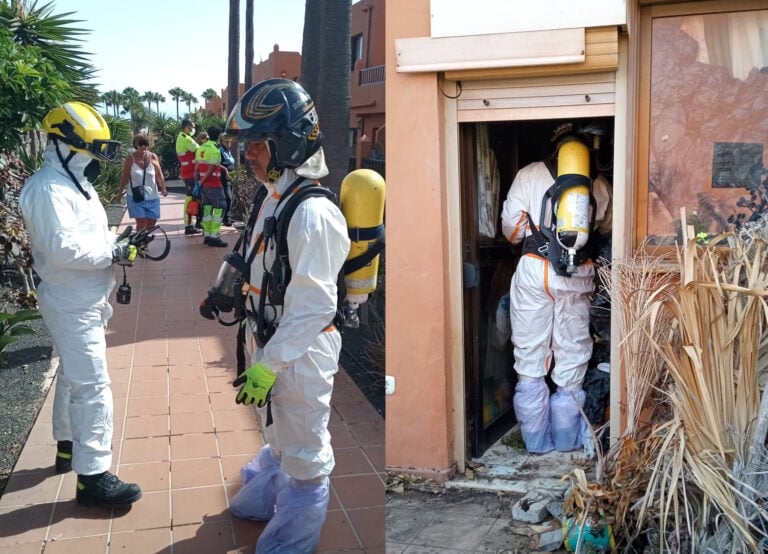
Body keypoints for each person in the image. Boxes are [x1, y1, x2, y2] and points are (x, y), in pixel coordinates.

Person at [224, 78, 350, 553]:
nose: (249, 153)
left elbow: (315, 307)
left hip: (300, 353)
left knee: (305, 448)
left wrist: (269, 363)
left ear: (290, 142)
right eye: (246, 144)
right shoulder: (275, 195)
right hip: (272, 340)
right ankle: (275, 493)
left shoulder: (313, 213)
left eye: (259, 143)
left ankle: (293, 537)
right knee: (277, 431)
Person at [18, 101, 142, 508]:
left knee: (73, 378)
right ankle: (93, 477)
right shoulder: (46, 189)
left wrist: (117, 246)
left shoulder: (76, 185)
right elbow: (61, 249)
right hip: (71, 303)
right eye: (87, 151)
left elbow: (94, 235)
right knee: (93, 387)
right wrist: (113, 252)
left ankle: (67, 447)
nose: (93, 160)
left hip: (88, 299)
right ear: (63, 146)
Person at [500, 122, 612, 454]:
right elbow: (607, 227)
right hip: (578, 274)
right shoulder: (600, 184)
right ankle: (566, 443)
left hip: (535, 270)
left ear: (555, 147)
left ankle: (536, 445)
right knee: (573, 357)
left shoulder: (529, 174)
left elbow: (511, 230)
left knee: (530, 358)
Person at [117, 133, 168, 232]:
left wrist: (163, 188)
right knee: (141, 222)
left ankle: (142, 240)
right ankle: (141, 246)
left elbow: (159, 174)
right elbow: (125, 176)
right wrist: (120, 193)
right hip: (136, 197)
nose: (143, 146)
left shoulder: (153, 157)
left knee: (151, 223)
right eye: (141, 144)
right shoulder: (130, 158)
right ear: (136, 145)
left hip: (153, 196)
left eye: (145, 143)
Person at [195, 127, 227, 247]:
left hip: (203, 186)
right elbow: (212, 168)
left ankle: (207, 235)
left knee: (207, 209)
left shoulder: (201, 148)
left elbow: (196, 169)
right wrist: (201, 181)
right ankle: (215, 237)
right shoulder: (215, 149)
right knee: (220, 207)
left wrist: (198, 183)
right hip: (214, 184)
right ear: (219, 136)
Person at [175, 118, 201, 235]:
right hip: (190, 173)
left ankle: (192, 223)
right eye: (191, 127)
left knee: (192, 198)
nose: (193, 129)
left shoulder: (182, 137)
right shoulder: (185, 139)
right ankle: (189, 224)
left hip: (189, 172)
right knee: (191, 198)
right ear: (186, 127)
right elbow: (199, 149)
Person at [216, 131, 236, 226]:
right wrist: (225, 170)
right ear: (221, 141)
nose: (228, 143)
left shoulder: (228, 151)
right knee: (228, 197)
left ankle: (228, 217)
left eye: (229, 142)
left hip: (230, 177)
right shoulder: (220, 151)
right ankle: (225, 218)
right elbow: (216, 163)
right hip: (224, 177)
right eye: (226, 142)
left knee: (230, 197)